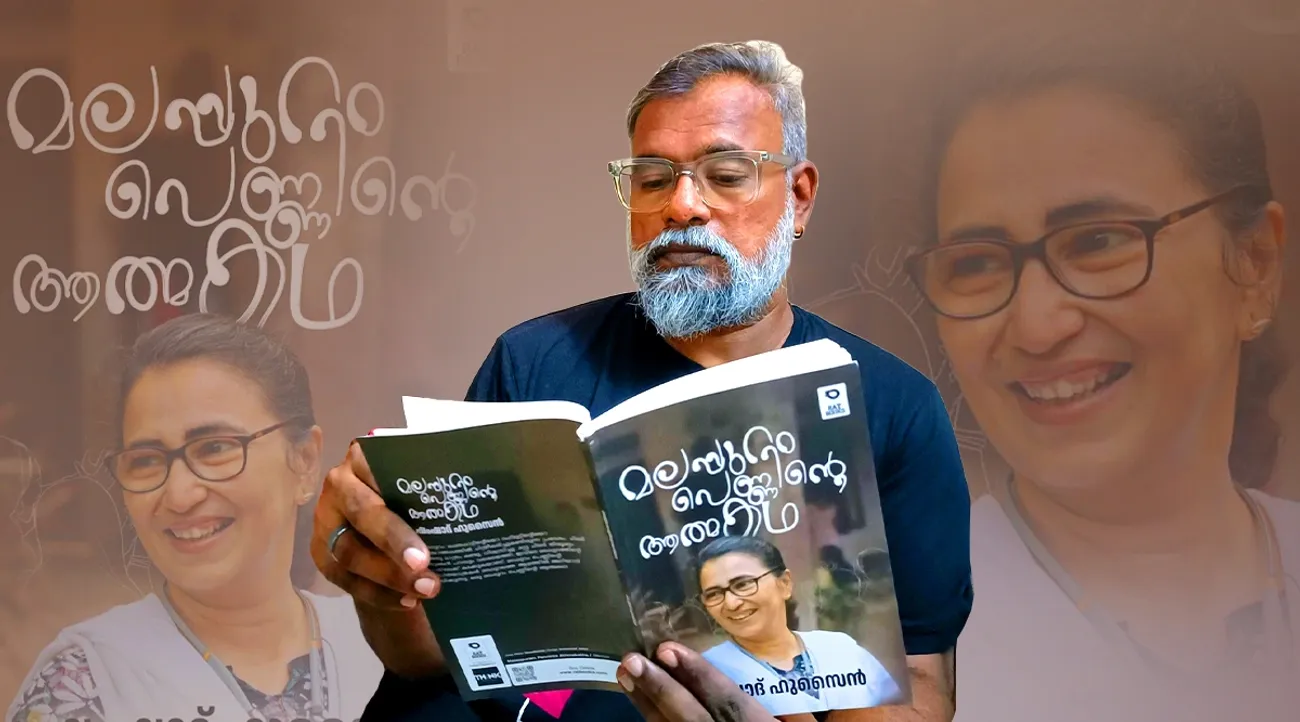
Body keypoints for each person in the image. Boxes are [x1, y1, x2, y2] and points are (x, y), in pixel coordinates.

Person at [314, 40, 971, 722]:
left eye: (726, 174)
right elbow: (427, 654)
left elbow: (921, 685)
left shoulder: (894, 407)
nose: (682, 206)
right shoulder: (531, 362)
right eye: (653, 179)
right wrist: (382, 585)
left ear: (799, 198)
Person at [902, 30, 1300, 722]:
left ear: (1255, 265)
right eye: (977, 262)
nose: (1037, 326)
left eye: (1098, 241)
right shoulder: (877, 652)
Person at [7, 314, 384, 722]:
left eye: (215, 448)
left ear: (305, 461)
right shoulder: (84, 684)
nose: (180, 495)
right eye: (146, 460)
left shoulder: (387, 648)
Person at [695, 536, 902, 715]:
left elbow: (895, 710)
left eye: (743, 584)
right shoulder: (706, 671)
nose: (731, 603)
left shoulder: (840, 647)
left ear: (784, 583)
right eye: (714, 594)